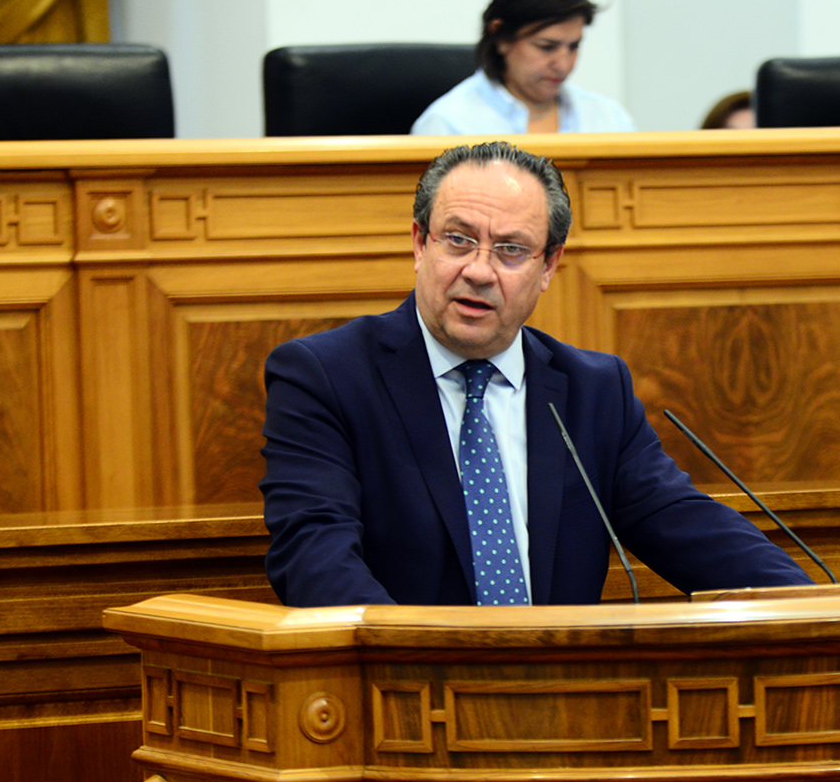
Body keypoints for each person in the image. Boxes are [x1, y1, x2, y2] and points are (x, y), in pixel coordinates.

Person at [260, 141, 810, 607]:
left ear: (548, 267)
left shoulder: (593, 390)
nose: (478, 271)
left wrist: (824, 606)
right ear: (419, 243)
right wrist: (424, 663)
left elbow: (689, 527)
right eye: (457, 239)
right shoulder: (325, 377)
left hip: (563, 701)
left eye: (511, 250)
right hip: (406, 701)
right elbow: (314, 558)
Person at [411, 0, 635, 136]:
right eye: (546, 47)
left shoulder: (608, 119)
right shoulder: (448, 125)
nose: (564, 65)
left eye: (574, 46)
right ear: (501, 37)